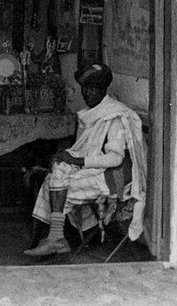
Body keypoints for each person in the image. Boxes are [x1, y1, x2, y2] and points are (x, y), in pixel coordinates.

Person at [24, 63, 144, 257]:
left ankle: (55, 238)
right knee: (57, 172)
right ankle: (55, 238)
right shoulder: (92, 113)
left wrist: (76, 161)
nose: (87, 93)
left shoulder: (114, 115)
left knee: (57, 186)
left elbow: (115, 158)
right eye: (84, 89)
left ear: (104, 90)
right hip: (98, 170)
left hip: (116, 177)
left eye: (93, 89)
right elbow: (83, 149)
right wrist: (65, 158)